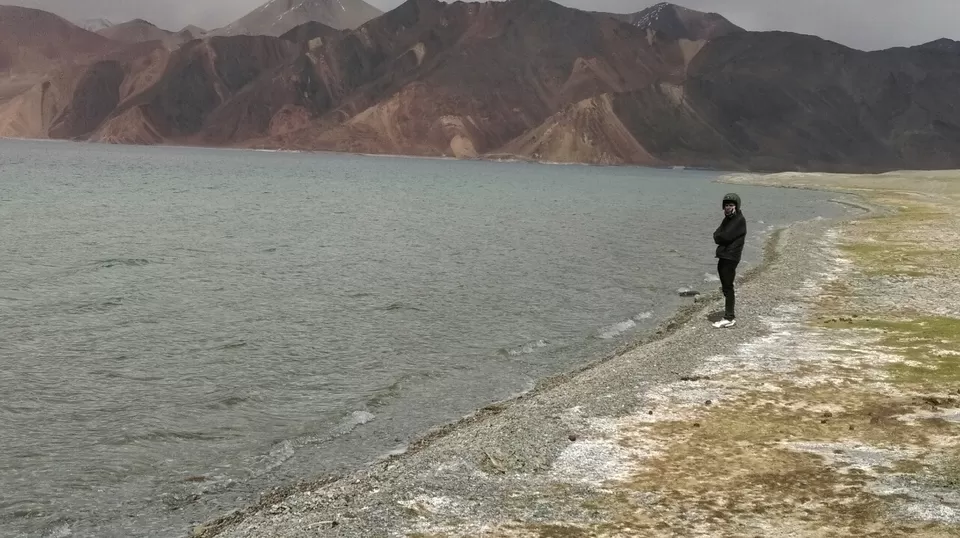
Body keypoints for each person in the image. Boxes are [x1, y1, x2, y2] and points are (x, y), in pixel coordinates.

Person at [712, 193, 746, 328]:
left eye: (731, 205)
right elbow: (716, 235)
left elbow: (723, 237)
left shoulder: (738, 220)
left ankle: (729, 317)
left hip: (730, 257)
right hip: (724, 256)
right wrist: (720, 236)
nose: (728, 208)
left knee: (728, 287)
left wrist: (720, 236)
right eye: (726, 205)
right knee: (726, 287)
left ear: (736, 206)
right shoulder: (728, 219)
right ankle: (728, 315)